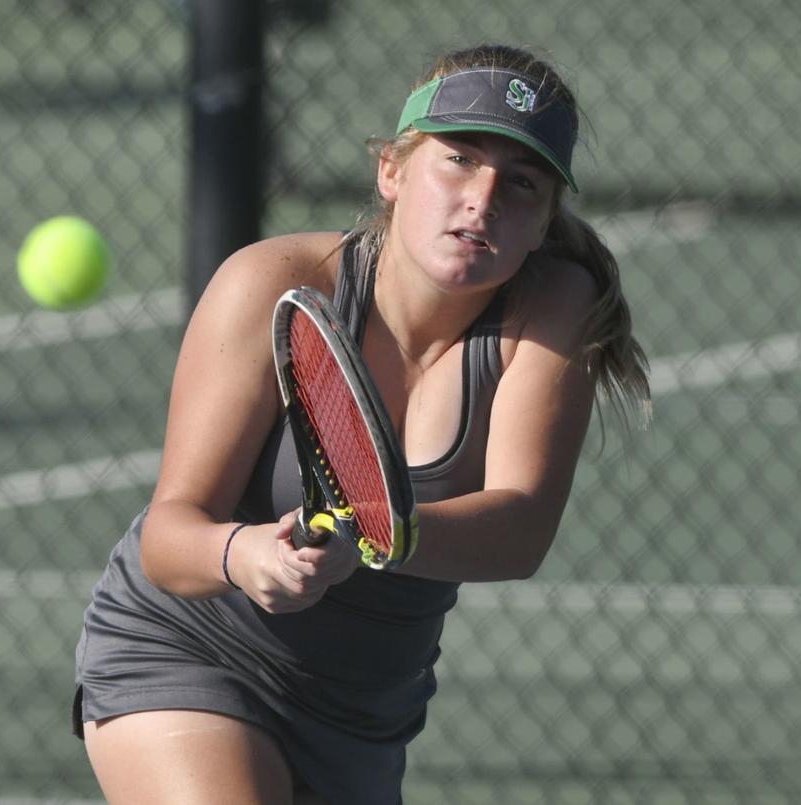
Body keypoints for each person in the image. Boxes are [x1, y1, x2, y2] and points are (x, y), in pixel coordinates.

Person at [73, 43, 650, 804]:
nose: (482, 198)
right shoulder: (271, 282)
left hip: (362, 714)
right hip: (188, 651)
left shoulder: (552, 311)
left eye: (520, 182)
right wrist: (246, 553)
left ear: (545, 221)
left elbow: (520, 527)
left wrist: (379, 535)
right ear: (392, 171)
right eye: (457, 159)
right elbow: (169, 538)